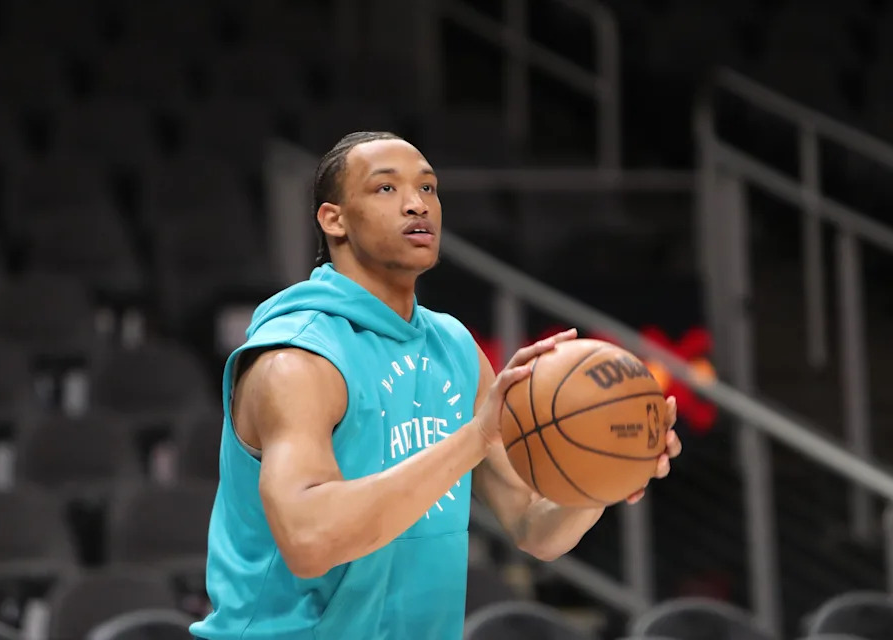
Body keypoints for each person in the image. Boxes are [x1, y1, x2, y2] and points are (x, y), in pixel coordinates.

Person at [190, 131, 683, 640]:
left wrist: (606, 468)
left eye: (428, 189)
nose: (415, 205)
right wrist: (475, 438)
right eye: (386, 189)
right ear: (333, 219)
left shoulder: (454, 346)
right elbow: (309, 540)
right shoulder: (297, 359)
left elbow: (533, 526)